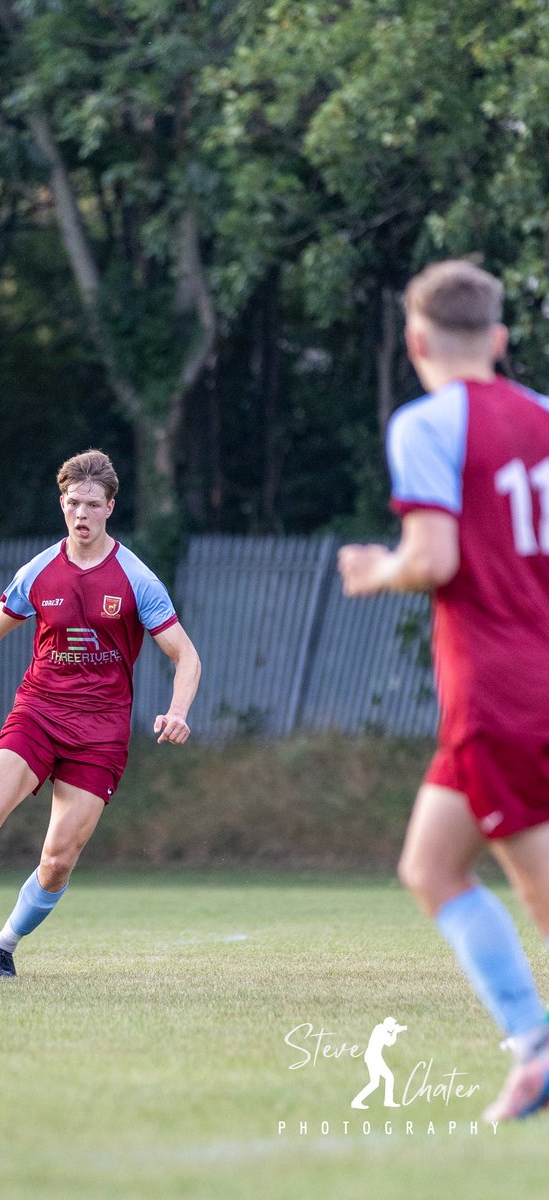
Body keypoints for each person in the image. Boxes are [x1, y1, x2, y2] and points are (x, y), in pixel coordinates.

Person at [338, 260, 549, 1123]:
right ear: (498, 339)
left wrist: (375, 571)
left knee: (539, 891)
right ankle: (533, 1046)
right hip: (529, 678)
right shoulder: (543, 417)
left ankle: (538, 1050)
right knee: (429, 865)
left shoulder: (426, 423)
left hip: (498, 689)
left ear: (417, 341)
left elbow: (433, 559)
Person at [0, 448, 201, 977]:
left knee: (58, 860)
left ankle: (3, 948)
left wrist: (178, 711)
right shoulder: (40, 570)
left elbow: (185, 655)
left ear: (110, 507)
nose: (82, 514)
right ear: (62, 504)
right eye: (73, 503)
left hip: (100, 733)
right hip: (38, 714)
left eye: (92, 504)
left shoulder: (137, 579)